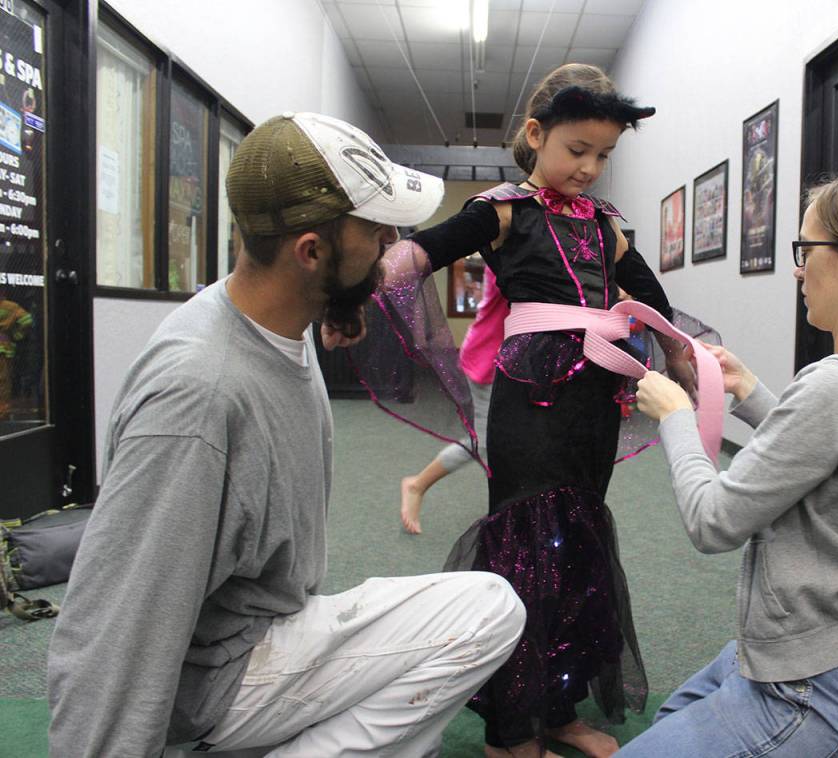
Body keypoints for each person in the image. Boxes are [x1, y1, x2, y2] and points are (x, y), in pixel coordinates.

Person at [47, 113, 526, 758]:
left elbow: (345, 281)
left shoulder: (268, 310)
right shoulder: (199, 396)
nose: (392, 241)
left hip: (259, 629)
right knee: (491, 609)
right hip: (218, 681)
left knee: (419, 727)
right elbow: (116, 622)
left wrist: (343, 300)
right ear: (310, 251)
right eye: (377, 228)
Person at [373, 63, 704, 758]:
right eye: (577, 150)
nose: (589, 168)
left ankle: (557, 707)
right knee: (528, 557)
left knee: (578, 553)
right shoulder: (501, 212)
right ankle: (509, 732)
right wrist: (351, 288)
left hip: (594, 408)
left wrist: (681, 355)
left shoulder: (608, 226)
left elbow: (650, 299)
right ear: (536, 134)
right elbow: (423, 252)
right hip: (531, 404)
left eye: (604, 156)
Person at [621, 168, 838, 756]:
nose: (798, 269)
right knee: (674, 714)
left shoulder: (836, 387)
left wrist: (675, 414)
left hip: (815, 689)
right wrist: (750, 390)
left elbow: (714, 522)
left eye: (807, 250)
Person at [400, 265, 506, 534]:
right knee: (484, 443)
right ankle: (417, 484)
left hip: (507, 360)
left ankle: (506, 507)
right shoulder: (510, 258)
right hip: (488, 360)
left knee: (510, 440)